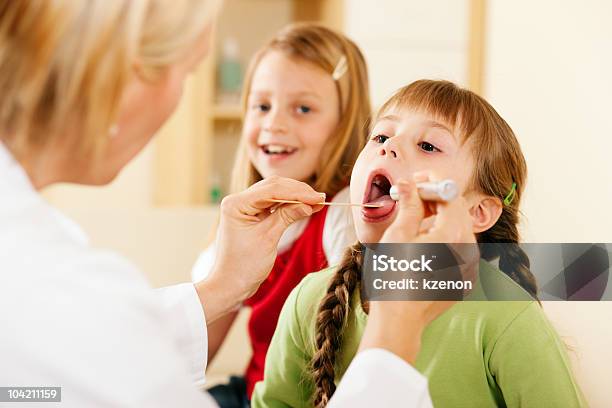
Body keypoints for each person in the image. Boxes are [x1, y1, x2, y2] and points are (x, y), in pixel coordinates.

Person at [0, 2, 458, 407]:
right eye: (188, 71)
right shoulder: (50, 288)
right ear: (130, 72)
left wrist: (221, 286)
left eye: (428, 146)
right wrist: (393, 341)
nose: (390, 150)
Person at [252, 80, 586, 407]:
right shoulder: (309, 299)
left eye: (428, 146)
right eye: (381, 136)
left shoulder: (507, 315)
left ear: (478, 211)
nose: (389, 146)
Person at [191, 22, 370, 406]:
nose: (274, 123)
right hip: (251, 394)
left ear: (344, 124)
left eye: (303, 108)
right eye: (262, 106)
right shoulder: (242, 218)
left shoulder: (342, 217)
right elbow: (197, 344)